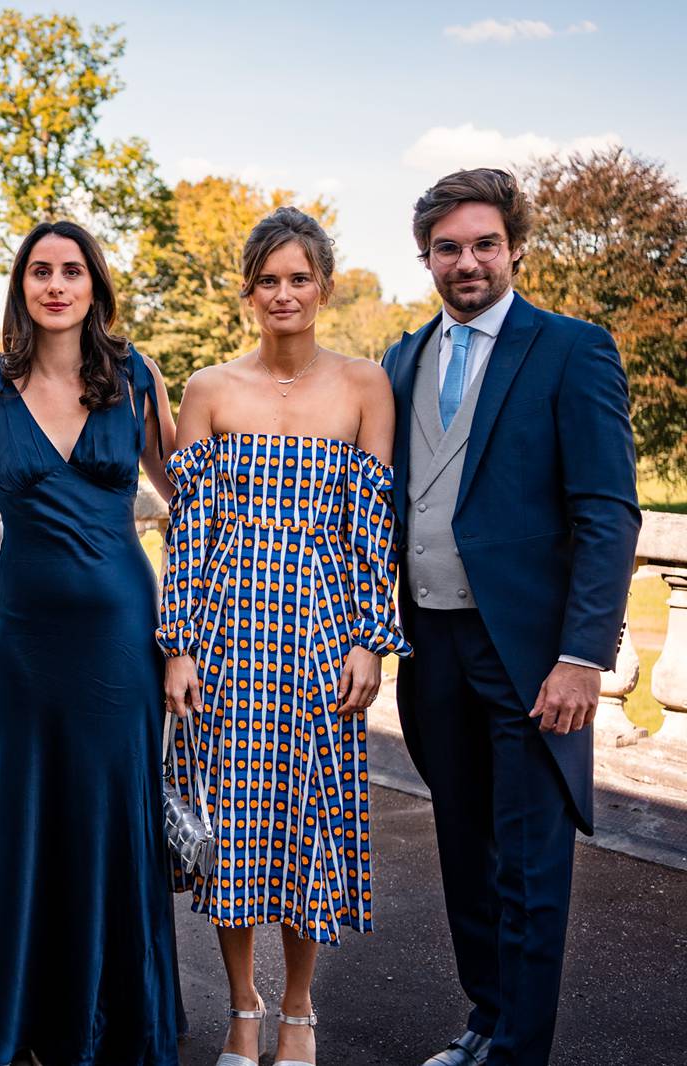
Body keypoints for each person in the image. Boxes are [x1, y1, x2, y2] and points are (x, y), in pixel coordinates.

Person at [384, 169, 639, 1066]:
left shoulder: (572, 349)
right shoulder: (402, 359)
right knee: (464, 852)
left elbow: (609, 512)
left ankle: (520, 1051)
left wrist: (582, 655)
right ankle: (486, 1022)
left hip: (532, 655)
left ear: (515, 247)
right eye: (448, 247)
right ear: (427, 259)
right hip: (432, 647)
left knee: (531, 866)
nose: (468, 262)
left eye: (484, 243)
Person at [158, 207, 409, 1066]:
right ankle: (242, 1008)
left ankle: (299, 1013)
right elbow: (187, 531)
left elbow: (375, 528)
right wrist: (180, 645)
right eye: (267, 279)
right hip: (227, 628)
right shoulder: (209, 389)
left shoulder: (367, 385)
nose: (283, 293)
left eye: (299, 278)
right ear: (247, 293)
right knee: (232, 824)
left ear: (325, 287)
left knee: (307, 825)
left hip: (324, 629)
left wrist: (370, 640)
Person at [0, 220, 181, 1065]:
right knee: (27, 816)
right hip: (21, 639)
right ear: (21, 286)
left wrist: (193, 630)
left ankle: (121, 1022)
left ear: (95, 285)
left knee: (113, 816)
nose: (56, 284)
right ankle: (34, 1022)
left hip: (121, 635)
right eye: (40, 271)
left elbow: (192, 502)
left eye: (72, 271)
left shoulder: (137, 379)